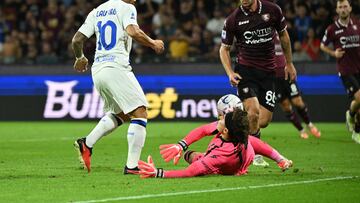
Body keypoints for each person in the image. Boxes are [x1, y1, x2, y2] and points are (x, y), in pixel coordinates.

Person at [71, 0, 164, 173]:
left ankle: (87, 143)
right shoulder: (127, 7)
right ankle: (132, 166)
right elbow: (133, 31)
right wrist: (153, 43)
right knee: (140, 112)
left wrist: (80, 57)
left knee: (122, 113)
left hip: (98, 70)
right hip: (116, 66)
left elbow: (76, 40)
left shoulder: (96, 11)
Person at [219, 0, 296, 165]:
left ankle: (234, 127)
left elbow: (284, 36)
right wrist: (230, 72)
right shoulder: (233, 19)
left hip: (269, 73)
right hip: (245, 72)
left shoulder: (273, 10)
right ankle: (254, 154)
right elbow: (224, 49)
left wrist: (289, 63)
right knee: (253, 112)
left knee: (264, 120)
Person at [137, 108, 293, 178]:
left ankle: (199, 156)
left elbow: (191, 172)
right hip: (239, 152)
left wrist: (158, 173)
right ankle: (282, 160)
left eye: (223, 119)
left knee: (192, 158)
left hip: (224, 166)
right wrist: (181, 145)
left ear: (225, 131)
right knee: (188, 154)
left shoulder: (221, 156)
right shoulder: (238, 134)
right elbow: (203, 130)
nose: (220, 119)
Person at [320, 0, 360, 144]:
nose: (343, 9)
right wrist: (333, 53)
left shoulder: (357, 25)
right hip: (346, 70)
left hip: (358, 68)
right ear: (337, 10)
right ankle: (356, 130)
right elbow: (322, 45)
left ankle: (351, 116)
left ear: (350, 8)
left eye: (345, 6)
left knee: (358, 102)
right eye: (340, 7)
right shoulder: (332, 29)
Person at [274, 32, 321, 139]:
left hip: (286, 74)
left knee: (298, 102)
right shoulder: (263, 36)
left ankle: (310, 124)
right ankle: (301, 130)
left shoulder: (282, 34)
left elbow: (289, 47)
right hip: (274, 79)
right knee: (286, 106)